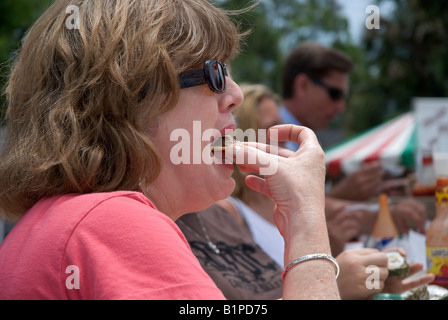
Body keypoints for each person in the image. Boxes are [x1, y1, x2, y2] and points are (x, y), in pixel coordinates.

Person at [0, 0, 339, 300]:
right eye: (215, 73)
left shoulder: (69, 220)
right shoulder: (113, 223)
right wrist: (306, 220)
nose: (236, 95)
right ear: (133, 97)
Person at [179, 84, 433, 299]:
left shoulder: (265, 202)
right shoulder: (224, 212)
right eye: (271, 128)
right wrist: (331, 281)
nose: (282, 139)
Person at [280, 42, 384, 202]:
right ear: (303, 85)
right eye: (335, 94)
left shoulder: (300, 138)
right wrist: (340, 195)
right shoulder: (268, 133)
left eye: (344, 97)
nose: (341, 107)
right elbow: (272, 213)